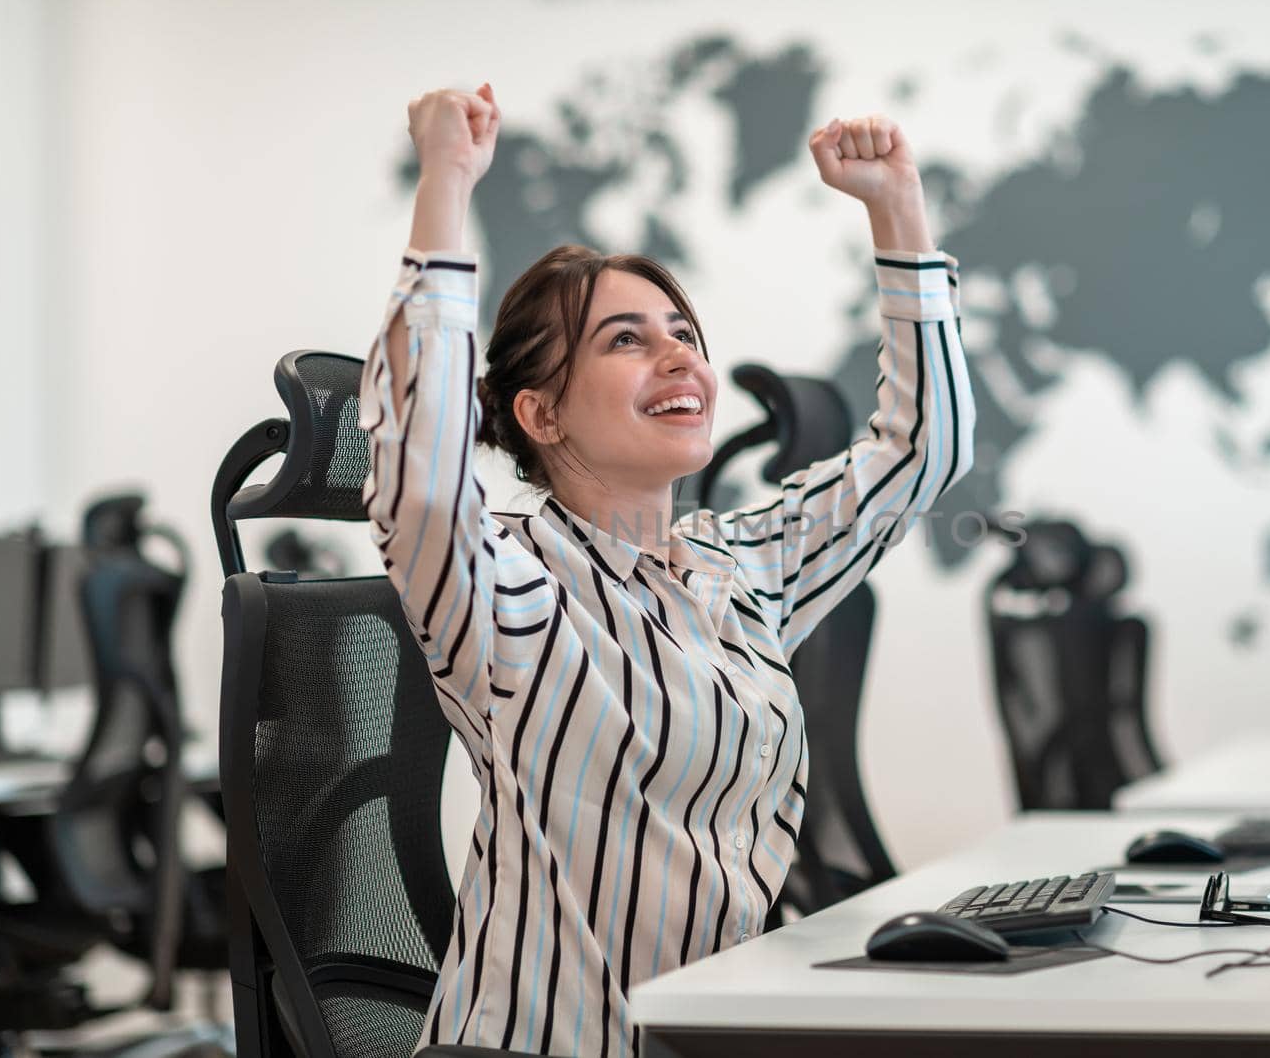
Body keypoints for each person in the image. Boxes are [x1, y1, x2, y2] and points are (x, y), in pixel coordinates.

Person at [360, 82, 975, 1058]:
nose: (677, 357)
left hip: (711, 1034)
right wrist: (446, 182)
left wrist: (897, 208)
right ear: (541, 413)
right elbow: (420, 477)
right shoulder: (505, 584)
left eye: (684, 333)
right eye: (626, 340)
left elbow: (917, 459)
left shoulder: (737, 569)